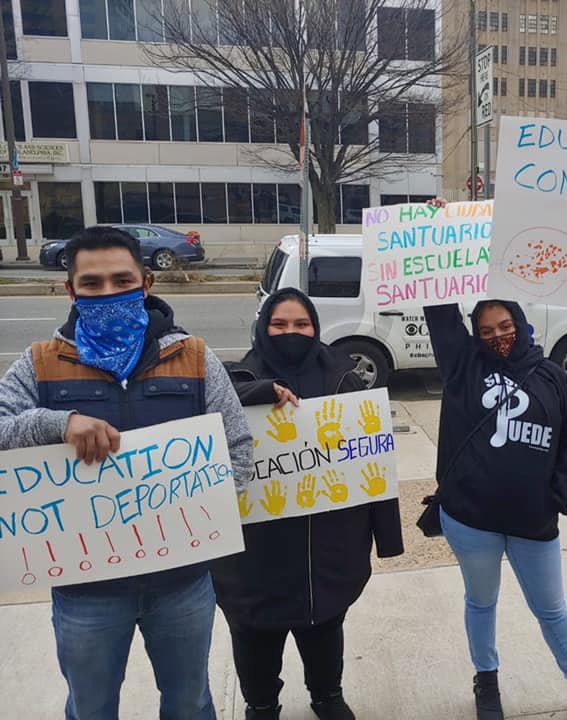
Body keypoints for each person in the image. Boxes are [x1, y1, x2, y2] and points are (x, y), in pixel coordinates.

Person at [0, 226, 254, 720]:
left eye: (122, 280)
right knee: (91, 708)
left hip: (182, 583)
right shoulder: (38, 365)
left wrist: (203, 515)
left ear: (146, 283)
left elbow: (238, 452)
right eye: (92, 284)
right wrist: (58, 423)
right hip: (85, 593)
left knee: (190, 704)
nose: (108, 292)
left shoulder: (197, 359)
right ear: (70, 289)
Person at [212, 287, 404, 720]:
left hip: (329, 545)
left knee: (325, 627)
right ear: (263, 328)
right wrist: (255, 392)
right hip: (256, 552)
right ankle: (261, 703)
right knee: (255, 636)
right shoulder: (233, 380)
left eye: (301, 324)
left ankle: (327, 696)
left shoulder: (344, 378)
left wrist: (386, 537)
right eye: (279, 325)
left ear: (316, 328)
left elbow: (374, 459)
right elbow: (201, 401)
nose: (290, 332)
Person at [424, 295, 567, 720]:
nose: (498, 337)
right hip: (471, 519)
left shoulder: (554, 378)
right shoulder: (462, 367)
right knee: (481, 601)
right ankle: (486, 682)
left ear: (521, 323)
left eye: (506, 326)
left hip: (534, 522)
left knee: (551, 607)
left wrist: (555, 497)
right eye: (486, 331)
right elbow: (439, 310)